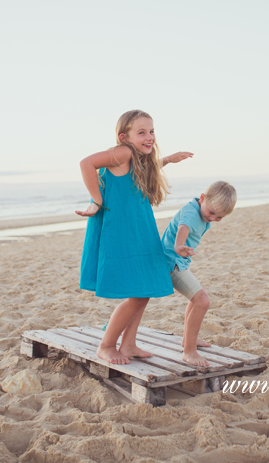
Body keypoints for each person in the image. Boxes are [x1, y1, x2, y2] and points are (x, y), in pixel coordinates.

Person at [76, 110, 193, 365]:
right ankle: (106, 345)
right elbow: (86, 163)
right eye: (141, 132)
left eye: (151, 131)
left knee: (144, 288)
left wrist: (169, 160)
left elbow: (145, 168)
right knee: (139, 290)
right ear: (124, 137)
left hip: (139, 229)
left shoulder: (136, 158)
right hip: (122, 232)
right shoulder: (123, 152)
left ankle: (128, 344)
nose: (149, 137)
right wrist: (97, 199)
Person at [161, 181, 237, 366]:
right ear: (202, 198)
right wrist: (179, 246)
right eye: (211, 213)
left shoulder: (202, 210)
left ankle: (189, 340)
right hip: (172, 263)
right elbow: (183, 227)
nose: (212, 219)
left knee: (196, 300)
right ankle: (189, 351)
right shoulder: (190, 213)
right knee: (202, 301)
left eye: (219, 217)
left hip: (179, 262)